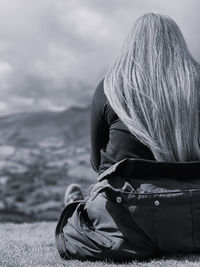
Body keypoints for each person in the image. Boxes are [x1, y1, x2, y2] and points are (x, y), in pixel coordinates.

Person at [55, 13, 200, 261]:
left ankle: (77, 205)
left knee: (72, 230)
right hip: (192, 210)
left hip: (123, 216)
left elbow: (97, 164)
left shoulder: (109, 87)